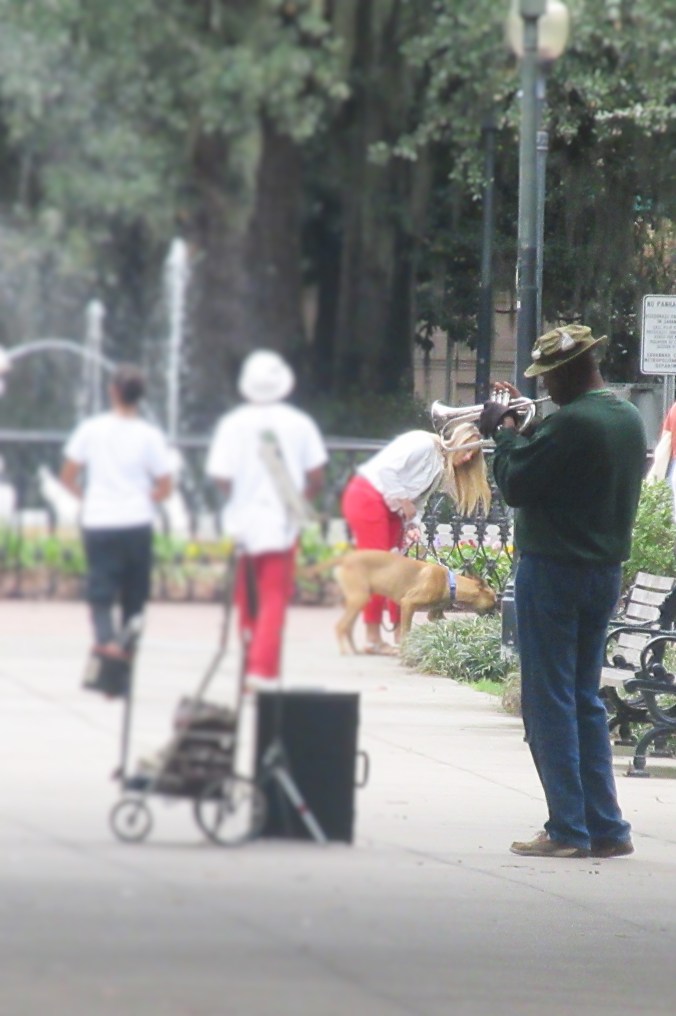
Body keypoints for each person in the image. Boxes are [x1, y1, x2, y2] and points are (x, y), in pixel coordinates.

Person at [478, 324, 647, 859]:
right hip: (603, 572)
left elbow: (518, 484)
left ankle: (567, 830)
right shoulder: (624, 416)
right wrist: (527, 435)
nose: (545, 389)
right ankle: (606, 827)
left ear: (565, 372)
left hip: (554, 571)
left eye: (548, 378)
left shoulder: (574, 422)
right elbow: (562, 472)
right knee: (583, 699)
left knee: (547, 702)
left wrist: (502, 434)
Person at [206, 349, 327, 692]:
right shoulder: (299, 424)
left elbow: (221, 476)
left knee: (247, 598)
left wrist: (240, 496)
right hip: (281, 522)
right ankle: (263, 670)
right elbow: (316, 475)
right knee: (273, 599)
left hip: (243, 522)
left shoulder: (232, 424)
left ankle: (252, 667)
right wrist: (300, 501)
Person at [341, 424, 491, 654]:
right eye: (467, 448)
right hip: (368, 497)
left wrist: (412, 525)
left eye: (474, 455)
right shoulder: (422, 443)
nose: (469, 456)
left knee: (398, 575)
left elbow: (419, 501)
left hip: (392, 508)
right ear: (455, 440)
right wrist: (404, 501)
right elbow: (386, 472)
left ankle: (402, 639)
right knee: (378, 572)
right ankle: (373, 639)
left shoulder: (441, 469)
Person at [61, 364, 173, 660]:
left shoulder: (91, 429)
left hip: (99, 520)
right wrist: (151, 497)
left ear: (113, 392)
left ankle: (105, 642)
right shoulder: (150, 435)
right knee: (134, 594)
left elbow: (68, 475)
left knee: (101, 587)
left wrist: (88, 497)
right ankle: (127, 655)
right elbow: (166, 484)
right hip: (137, 520)